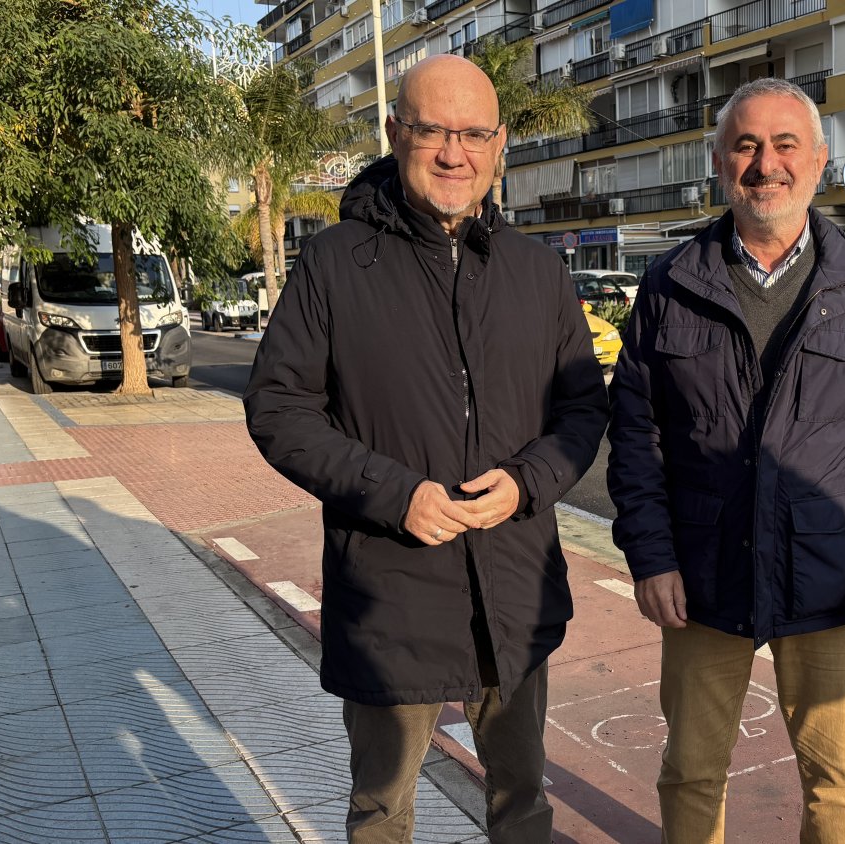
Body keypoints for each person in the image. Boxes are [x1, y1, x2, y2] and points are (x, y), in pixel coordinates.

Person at [244, 54, 609, 844]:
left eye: (474, 133)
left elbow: (584, 406)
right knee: (382, 812)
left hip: (513, 590)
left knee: (524, 804)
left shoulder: (538, 272)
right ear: (394, 132)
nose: (455, 152)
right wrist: (394, 493)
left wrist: (529, 481)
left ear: (500, 142)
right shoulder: (335, 265)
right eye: (432, 130)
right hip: (392, 593)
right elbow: (278, 409)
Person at [607, 77, 845, 843]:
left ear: (819, 161)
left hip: (832, 578)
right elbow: (637, 436)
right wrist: (650, 557)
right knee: (691, 769)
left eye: (785, 144)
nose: (767, 164)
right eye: (746, 145)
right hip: (701, 575)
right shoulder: (669, 284)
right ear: (720, 162)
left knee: (836, 776)